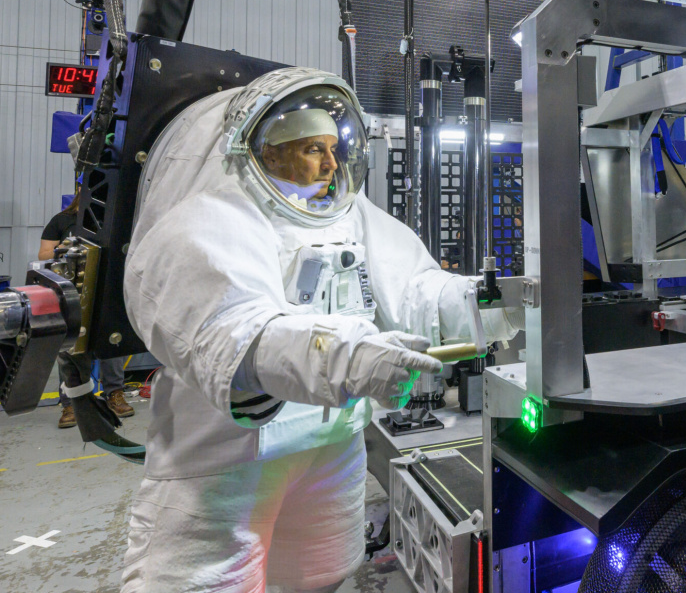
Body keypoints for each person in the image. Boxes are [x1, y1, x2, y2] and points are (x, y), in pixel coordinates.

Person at [119, 67, 523, 593]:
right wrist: (345, 359)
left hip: (332, 445)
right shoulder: (210, 221)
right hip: (227, 462)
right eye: (313, 149)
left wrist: (489, 303)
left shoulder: (349, 215)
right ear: (267, 151)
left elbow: (415, 289)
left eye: (334, 149)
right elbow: (234, 334)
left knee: (323, 575)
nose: (331, 163)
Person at [40, 193, 134, 428]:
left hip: (104, 292)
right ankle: (71, 403)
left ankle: (114, 394)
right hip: (73, 293)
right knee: (71, 347)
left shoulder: (111, 223)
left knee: (111, 341)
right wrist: (62, 248)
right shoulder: (61, 221)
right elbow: (42, 254)